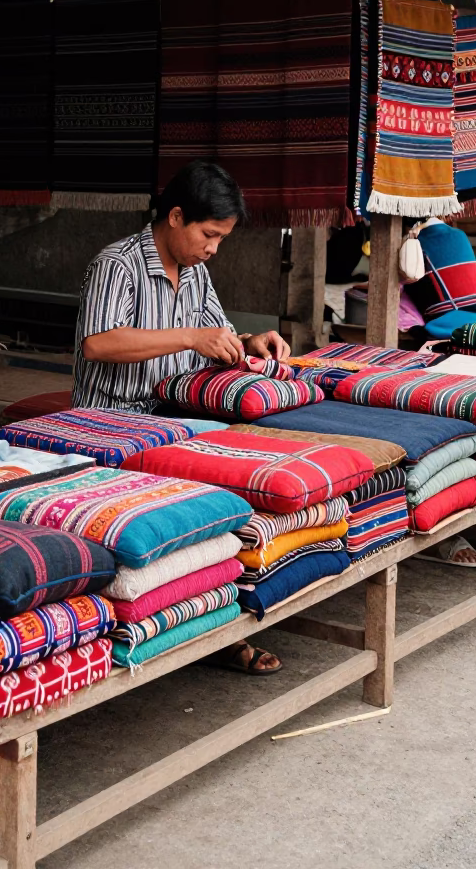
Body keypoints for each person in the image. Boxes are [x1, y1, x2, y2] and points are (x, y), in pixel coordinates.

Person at [73, 160, 290, 675]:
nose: (213, 248)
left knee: (244, 482)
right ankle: (199, 629)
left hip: (174, 414)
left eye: (220, 239)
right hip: (113, 419)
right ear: (175, 217)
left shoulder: (195, 271)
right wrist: (190, 337)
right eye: (209, 234)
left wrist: (249, 343)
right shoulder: (117, 265)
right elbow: (99, 343)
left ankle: (222, 618)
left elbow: (217, 332)